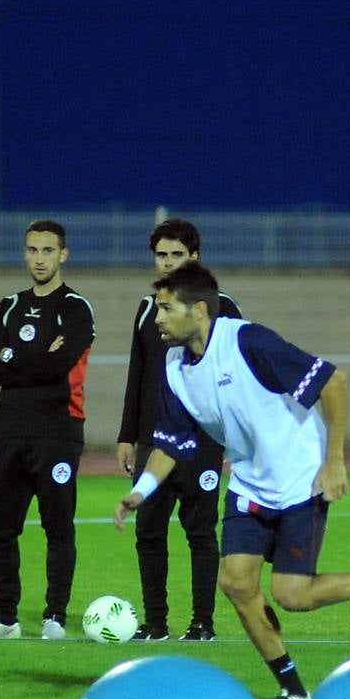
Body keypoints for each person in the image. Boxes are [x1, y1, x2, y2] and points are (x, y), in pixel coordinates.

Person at [112, 262, 350, 699]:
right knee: (237, 584)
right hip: (248, 485)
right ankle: (295, 694)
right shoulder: (175, 365)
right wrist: (141, 491)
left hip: (302, 480)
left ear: (198, 310)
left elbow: (333, 381)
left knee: (292, 596)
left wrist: (335, 459)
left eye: (165, 309)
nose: (156, 319)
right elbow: (172, 441)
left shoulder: (247, 341)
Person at [116, 218, 242, 642]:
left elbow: (237, 379)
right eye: (161, 255)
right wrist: (127, 435)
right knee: (148, 529)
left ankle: (202, 624)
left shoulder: (222, 307)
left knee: (201, 530)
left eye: (177, 255)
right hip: (156, 441)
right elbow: (139, 373)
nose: (167, 263)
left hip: (204, 441)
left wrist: (233, 437)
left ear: (195, 258)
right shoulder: (148, 308)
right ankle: (155, 624)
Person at [0, 220, 95, 641]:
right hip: (8, 432)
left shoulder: (76, 308)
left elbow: (58, 367)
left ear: (64, 254)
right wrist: (37, 356)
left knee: (57, 527)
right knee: (0, 527)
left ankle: (54, 617)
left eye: (47, 250)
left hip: (57, 431)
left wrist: (15, 358)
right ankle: (5, 617)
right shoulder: (8, 305)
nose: (38, 258)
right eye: (31, 250)